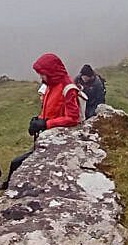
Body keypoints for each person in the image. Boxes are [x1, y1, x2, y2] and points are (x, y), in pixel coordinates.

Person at [6, 53, 82, 185]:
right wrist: (38, 121)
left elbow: (73, 118)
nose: (41, 76)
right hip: (48, 134)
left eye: (42, 73)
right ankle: (9, 186)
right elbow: (50, 109)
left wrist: (46, 124)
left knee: (17, 163)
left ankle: (10, 187)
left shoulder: (68, 88)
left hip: (58, 139)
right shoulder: (51, 85)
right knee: (17, 163)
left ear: (51, 72)